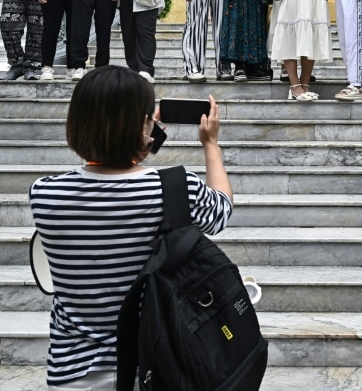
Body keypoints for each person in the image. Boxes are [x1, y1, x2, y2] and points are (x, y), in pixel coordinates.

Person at [29, 65, 233, 388]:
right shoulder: (174, 188)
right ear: (143, 126)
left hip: (72, 374)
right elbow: (221, 209)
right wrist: (210, 144)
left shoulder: (44, 194)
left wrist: (140, 135)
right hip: (152, 370)